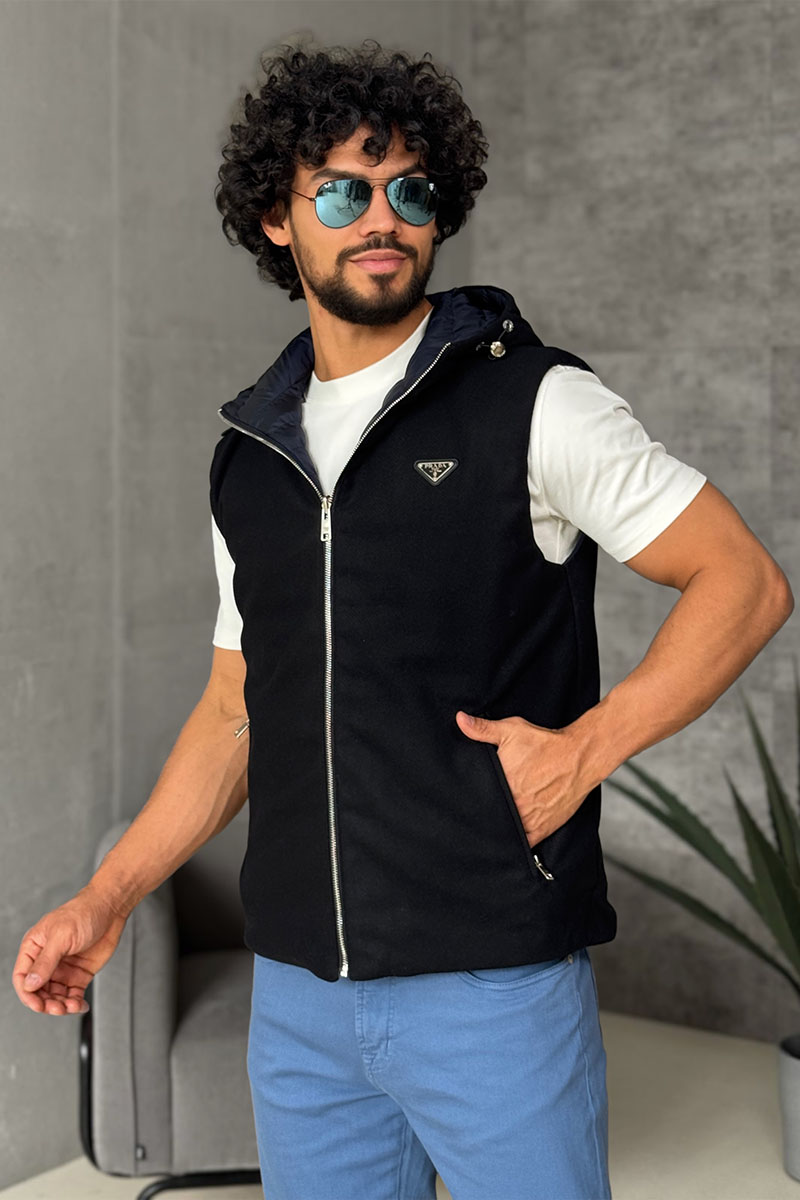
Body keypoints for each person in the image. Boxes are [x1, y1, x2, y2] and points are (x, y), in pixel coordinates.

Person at [12, 37, 794, 1200]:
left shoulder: (536, 402)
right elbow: (233, 714)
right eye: (341, 191)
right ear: (276, 218)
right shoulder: (249, 460)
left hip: (491, 990)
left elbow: (742, 581)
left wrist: (588, 747)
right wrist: (106, 897)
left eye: (409, 191)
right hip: (299, 1004)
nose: (381, 218)